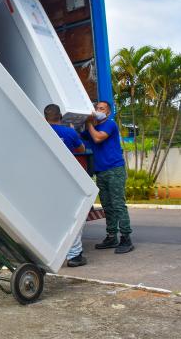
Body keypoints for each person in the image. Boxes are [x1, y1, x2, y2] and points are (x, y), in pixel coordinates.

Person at [82, 101, 134, 254]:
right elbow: (80, 137)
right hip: (101, 172)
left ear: (108, 112)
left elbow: (98, 138)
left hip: (114, 170)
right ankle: (111, 236)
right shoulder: (93, 128)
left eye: (101, 109)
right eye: (97, 108)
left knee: (118, 205)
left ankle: (126, 238)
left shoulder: (110, 125)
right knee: (108, 206)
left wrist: (89, 123)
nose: (98, 110)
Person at [44, 104, 87, 267]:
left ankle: (51, 252)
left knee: (53, 216)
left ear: (44, 117)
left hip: (47, 180)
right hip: (67, 180)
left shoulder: (41, 130)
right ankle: (75, 255)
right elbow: (81, 149)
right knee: (74, 217)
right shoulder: (69, 132)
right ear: (61, 116)